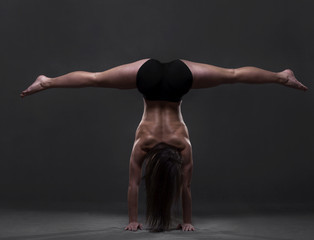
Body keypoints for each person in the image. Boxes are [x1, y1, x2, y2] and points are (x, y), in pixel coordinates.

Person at [20, 58, 308, 232]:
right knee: (232, 74)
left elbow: (175, 187)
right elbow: (171, 187)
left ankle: (47, 82)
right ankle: (281, 77)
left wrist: (137, 221)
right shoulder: (146, 143)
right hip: (151, 80)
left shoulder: (179, 144)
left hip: (173, 80)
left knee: (95, 78)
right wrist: (185, 222)